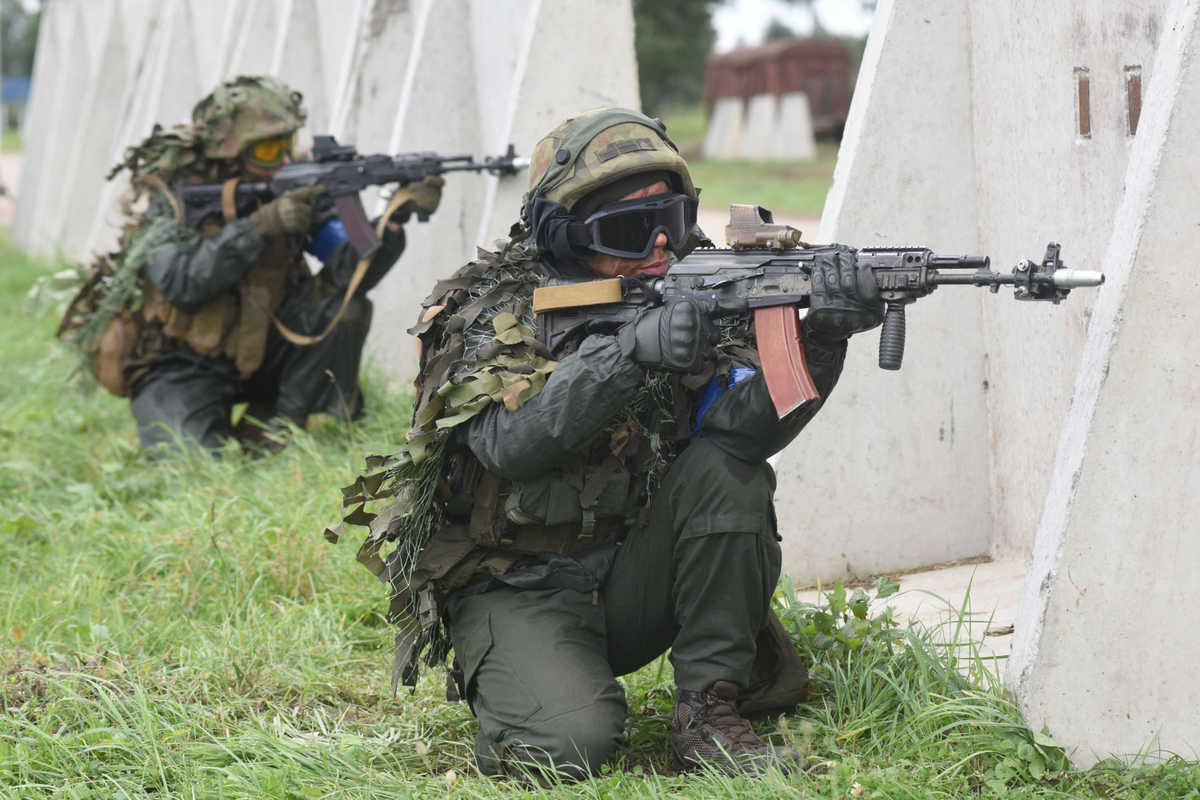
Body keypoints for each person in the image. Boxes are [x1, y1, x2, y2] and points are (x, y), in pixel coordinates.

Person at [332, 108, 884, 780]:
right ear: (563, 236)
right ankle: (535, 689)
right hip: (515, 585)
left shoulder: (691, 290)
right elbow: (509, 443)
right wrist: (629, 354)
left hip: (633, 574)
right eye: (626, 230)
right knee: (564, 751)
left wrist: (821, 342)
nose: (658, 244)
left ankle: (709, 716)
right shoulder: (488, 311)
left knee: (727, 469)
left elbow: (744, 434)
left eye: (673, 222)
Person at [80, 75, 440, 452]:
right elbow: (180, 285)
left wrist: (390, 224)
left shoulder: (297, 185)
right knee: (188, 465)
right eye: (267, 151)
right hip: (183, 359)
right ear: (230, 151)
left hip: (269, 347)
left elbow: (348, 276)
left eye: (287, 145)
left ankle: (284, 430)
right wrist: (258, 228)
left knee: (343, 307)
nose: (283, 160)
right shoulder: (170, 196)